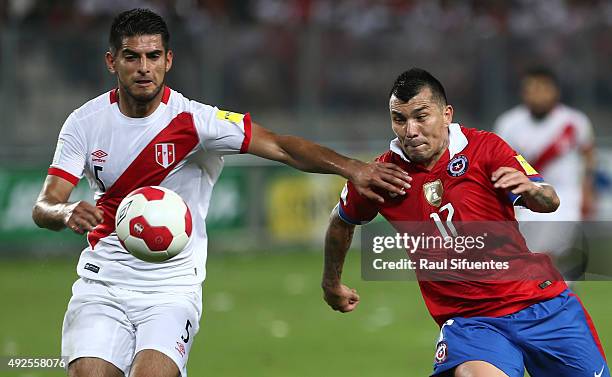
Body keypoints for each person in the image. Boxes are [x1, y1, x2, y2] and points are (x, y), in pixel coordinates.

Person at [31, 9, 410, 377]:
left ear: (169, 60)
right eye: (132, 57)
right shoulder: (84, 123)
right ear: (112, 62)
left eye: (153, 56)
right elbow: (44, 204)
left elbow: (280, 146)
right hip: (103, 281)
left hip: (172, 289)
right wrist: (63, 212)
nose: (144, 67)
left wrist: (354, 168)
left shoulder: (196, 121)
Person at [321, 68, 608, 377]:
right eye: (399, 119)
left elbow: (549, 201)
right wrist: (331, 282)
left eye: (421, 116)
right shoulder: (381, 175)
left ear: (446, 114)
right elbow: (340, 221)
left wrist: (534, 190)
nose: (410, 131)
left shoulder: (486, 147)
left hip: (541, 303)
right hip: (472, 323)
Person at [494, 67, 596, 278]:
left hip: (566, 197)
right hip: (526, 198)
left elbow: (588, 154)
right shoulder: (508, 124)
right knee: (530, 254)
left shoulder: (575, 121)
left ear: (555, 92)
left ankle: (555, 295)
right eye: (531, 89)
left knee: (549, 253)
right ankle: (553, 294)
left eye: (543, 89)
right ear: (523, 93)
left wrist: (587, 190)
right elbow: (498, 163)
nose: (537, 95)